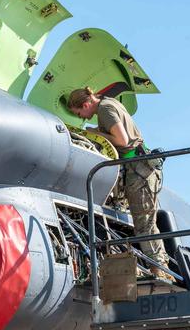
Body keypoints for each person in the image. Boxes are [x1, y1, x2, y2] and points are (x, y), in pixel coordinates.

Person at [67, 86, 174, 282]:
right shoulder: (110, 102)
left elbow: (122, 141)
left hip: (138, 169)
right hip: (140, 168)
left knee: (144, 224)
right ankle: (161, 267)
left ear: (86, 104)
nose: (83, 117)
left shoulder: (104, 110)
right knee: (147, 223)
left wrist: (96, 133)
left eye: (81, 113)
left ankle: (159, 269)